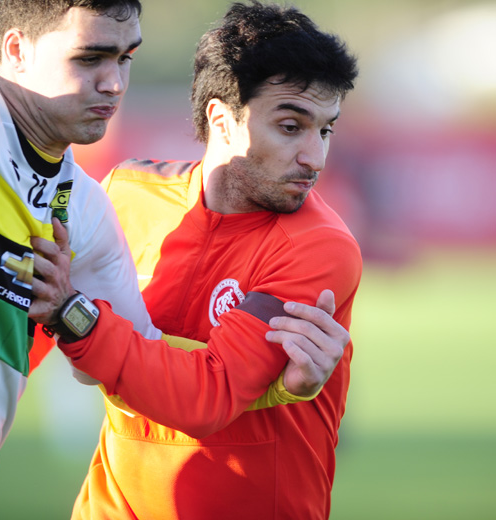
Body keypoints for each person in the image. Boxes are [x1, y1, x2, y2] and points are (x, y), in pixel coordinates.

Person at [0, 0, 349, 518]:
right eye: (90, 58)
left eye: (124, 59)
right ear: (17, 50)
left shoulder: (86, 208)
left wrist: (273, 389)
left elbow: (152, 371)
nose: (115, 83)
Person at [31, 2, 361, 519]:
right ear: (221, 120)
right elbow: (29, 336)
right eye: (290, 126)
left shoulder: (319, 246)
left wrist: (74, 317)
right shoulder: (126, 194)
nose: (315, 158)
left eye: (325, 130)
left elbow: (208, 398)